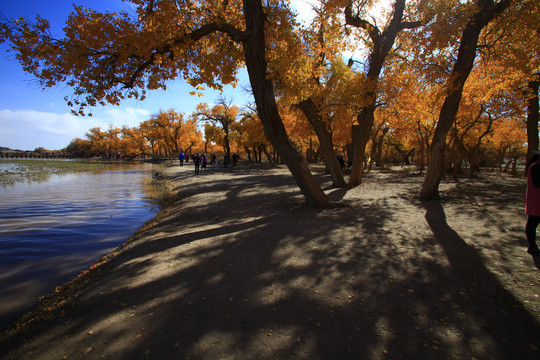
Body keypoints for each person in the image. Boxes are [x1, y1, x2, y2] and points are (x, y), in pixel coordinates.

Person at [526, 150, 540, 256]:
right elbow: (537, 183)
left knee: (533, 222)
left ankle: (532, 245)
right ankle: (532, 245)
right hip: (537, 199)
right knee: (533, 222)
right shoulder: (535, 167)